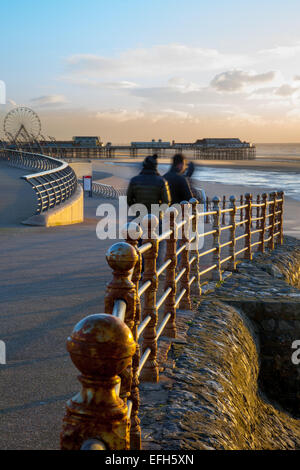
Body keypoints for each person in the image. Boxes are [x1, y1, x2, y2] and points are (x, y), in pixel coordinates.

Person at [127, 154, 171, 267]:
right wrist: (160, 212)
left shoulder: (134, 180)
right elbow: (167, 202)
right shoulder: (161, 181)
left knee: (139, 243)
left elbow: (129, 199)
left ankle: (140, 268)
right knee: (157, 243)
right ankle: (153, 268)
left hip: (139, 217)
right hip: (155, 218)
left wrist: (136, 209)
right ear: (155, 166)